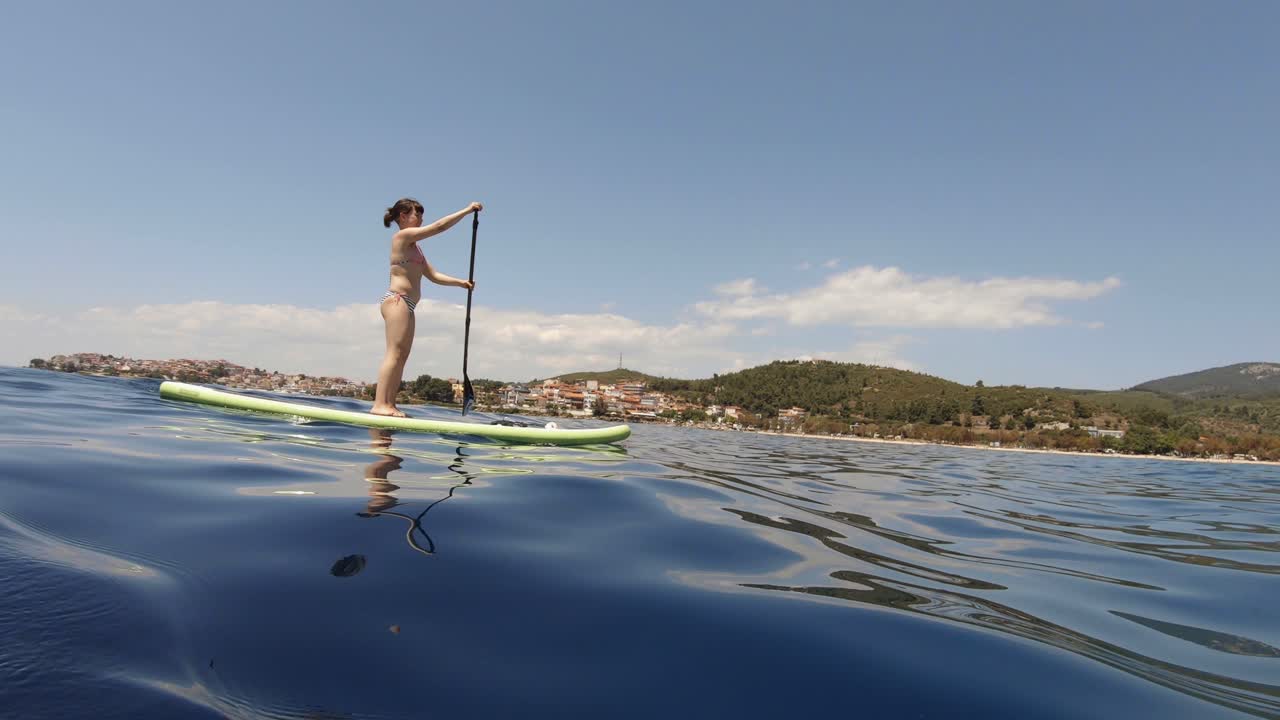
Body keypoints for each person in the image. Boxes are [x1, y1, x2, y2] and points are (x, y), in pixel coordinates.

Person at [372, 198, 481, 417]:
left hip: (408, 305)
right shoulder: (401, 237)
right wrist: (467, 210)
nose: (421, 219)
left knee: (402, 356)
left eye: (421, 215)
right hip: (397, 300)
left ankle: (390, 404)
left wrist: (461, 283)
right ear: (403, 216)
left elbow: (433, 275)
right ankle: (380, 404)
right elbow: (439, 227)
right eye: (417, 215)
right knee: (394, 353)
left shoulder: (417, 250)